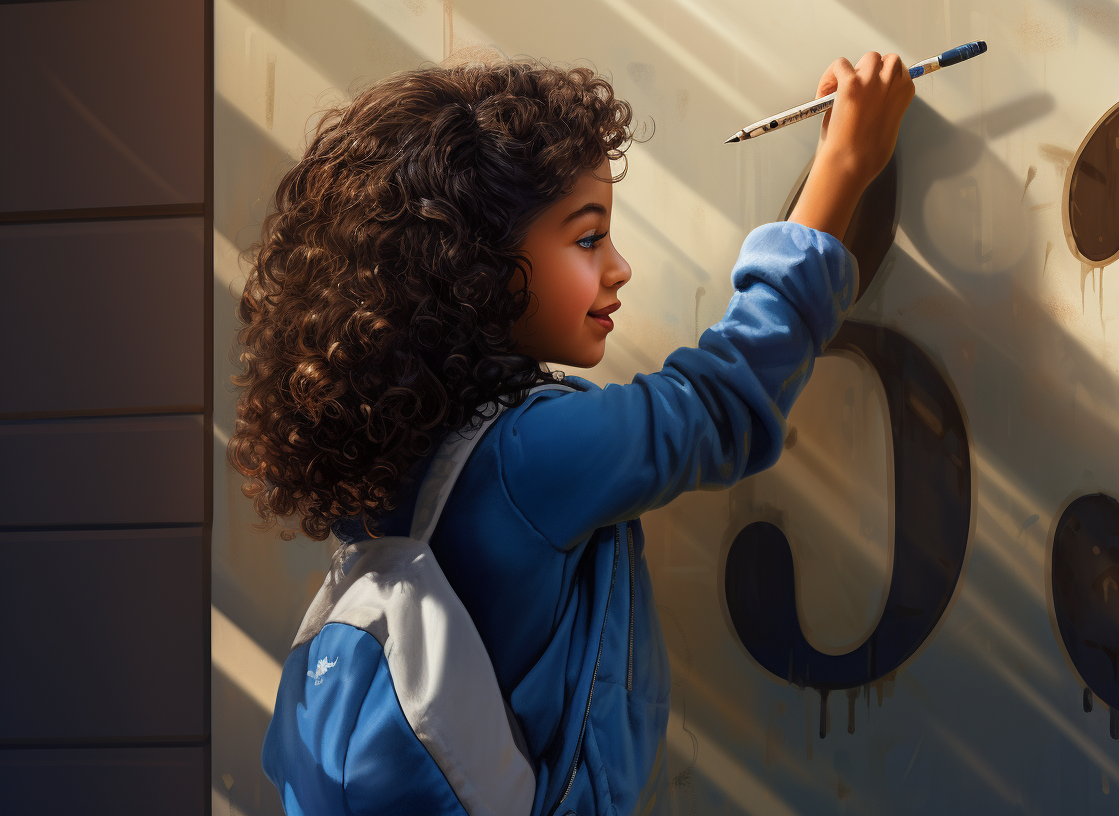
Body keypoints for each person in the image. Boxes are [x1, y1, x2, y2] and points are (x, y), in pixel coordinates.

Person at [228, 50, 913, 816]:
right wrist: (844, 166)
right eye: (588, 239)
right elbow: (721, 403)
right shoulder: (529, 454)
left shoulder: (399, 444)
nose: (618, 268)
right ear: (474, 266)